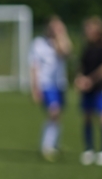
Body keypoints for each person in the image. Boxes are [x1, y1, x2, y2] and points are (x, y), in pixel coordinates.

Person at [28, 16, 72, 161]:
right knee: (54, 112)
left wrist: (61, 37)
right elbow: (34, 67)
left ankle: (55, 143)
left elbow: (66, 53)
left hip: (60, 84)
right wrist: (35, 88)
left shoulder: (60, 41)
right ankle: (46, 146)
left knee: (58, 115)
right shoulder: (38, 43)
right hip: (46, 84)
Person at [75, 16, 102, 166]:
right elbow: (81, 67)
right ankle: (89, 149)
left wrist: (90, 80)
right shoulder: (87, 48)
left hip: (100, 89)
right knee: (87, 118)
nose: (86, 31)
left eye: (89, 28)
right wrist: (79, 79)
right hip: (87, 90)